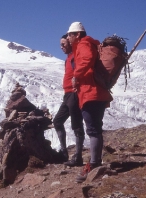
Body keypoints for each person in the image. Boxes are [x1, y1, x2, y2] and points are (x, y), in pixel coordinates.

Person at [66, 22, 113, 182]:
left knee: (92, 130)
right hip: (96, 93)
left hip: (91, 93)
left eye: (70, 34)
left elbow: (87, 60)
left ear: (77, 34)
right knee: (96, 129)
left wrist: (76, 76)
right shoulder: (88, 44)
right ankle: (95, 162)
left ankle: (94, 164)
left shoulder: (84, 44)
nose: (68, 37)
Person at [53, 34, 85, 166]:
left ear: (70, 43)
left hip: (74, 94)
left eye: (63, 44)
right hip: (67, 95)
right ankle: (64, 152)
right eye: (60, 45)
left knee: (77, 125)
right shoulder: (68, 59)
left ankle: (78, 157)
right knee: (57, 121)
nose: (61, 47)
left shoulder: (76, 57)